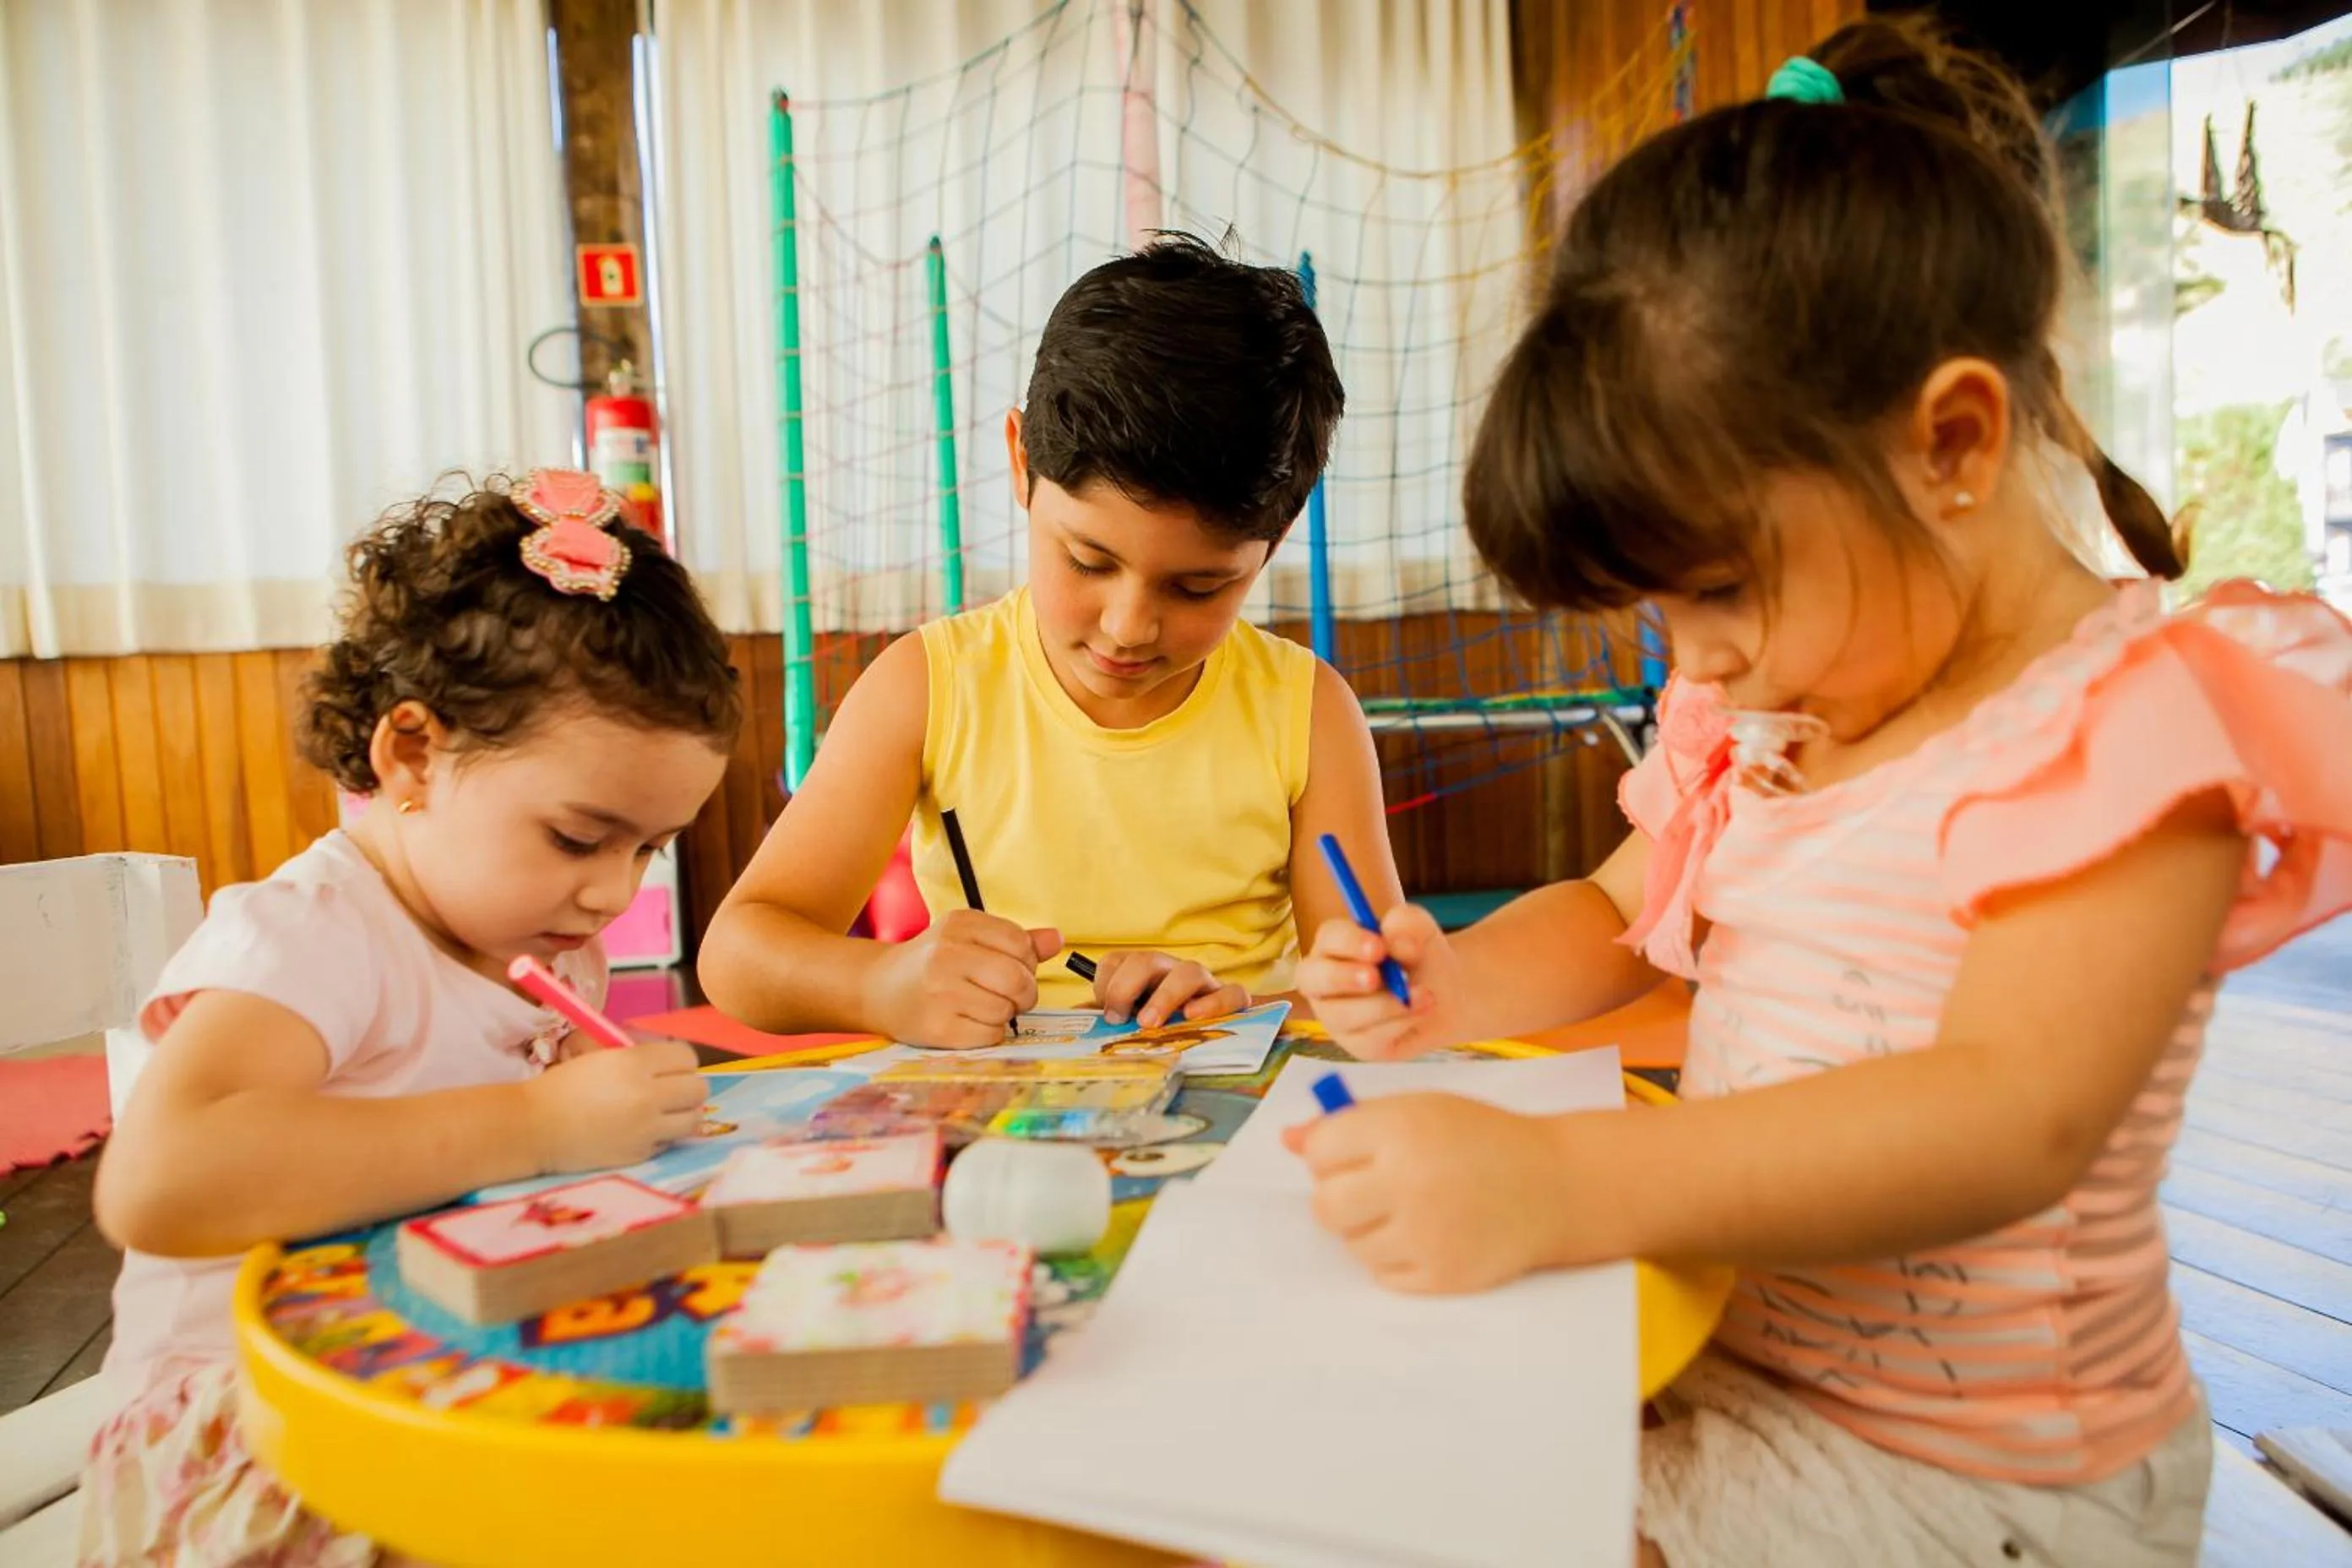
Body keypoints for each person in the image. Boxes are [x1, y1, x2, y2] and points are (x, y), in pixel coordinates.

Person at [1290, 20, 2352, 1566]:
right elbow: (1608, 912)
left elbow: (2005, 1116)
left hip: (1983, 1488)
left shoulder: (2125, 726)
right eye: (1664, 612)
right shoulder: (1765, 711)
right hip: (1722, 1353)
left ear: (1951, 444)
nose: (1697, 658)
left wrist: (1559, 1180)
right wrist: (1446, 979)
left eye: (1720, 587)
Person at [84, 471, 740, 1564]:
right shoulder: (320, 932)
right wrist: (540, 1125)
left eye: (650, 848)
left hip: (439, 1376)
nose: (615, 893)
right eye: (580, 839)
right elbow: (160, 1182)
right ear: (414, 756)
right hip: (265, 1426)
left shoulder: (551, 948)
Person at [702, 233, 1402, 1047]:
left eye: (1197, 588)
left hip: (1242, 1104)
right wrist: (881, 985)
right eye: (1088, 561)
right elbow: (738, 955)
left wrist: (1245, 1013)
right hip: (995, 1111)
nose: (1128, 627)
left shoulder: (1307, 712)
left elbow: (1381, 995)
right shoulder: (929, 686)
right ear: (1020, 461)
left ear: (1272, 544)